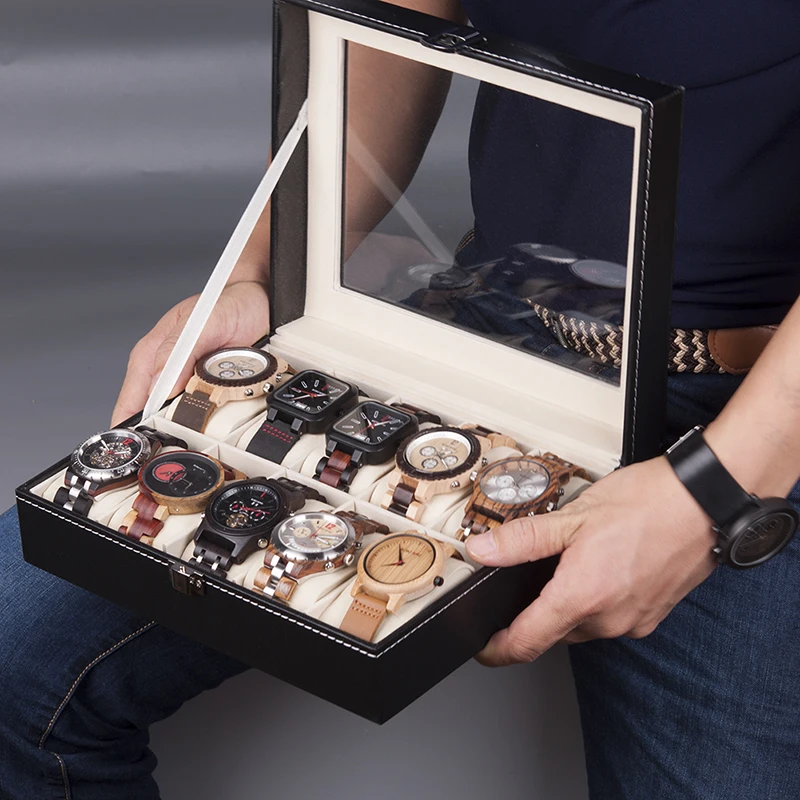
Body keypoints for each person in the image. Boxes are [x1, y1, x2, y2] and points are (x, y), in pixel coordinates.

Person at [2, 1, 799, 797]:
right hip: (485, 319)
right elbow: (394, 19)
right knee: (13, 658)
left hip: (755, 404)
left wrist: (721, 486)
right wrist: (265, 270)